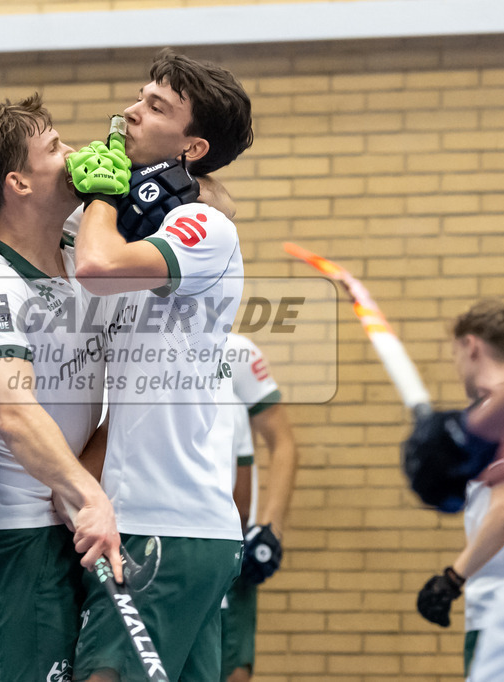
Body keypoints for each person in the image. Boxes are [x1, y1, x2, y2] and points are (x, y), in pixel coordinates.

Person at [66, 47, 255, 681]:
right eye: (138, 97)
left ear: (192, 148)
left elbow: (96, 266)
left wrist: (102, 191)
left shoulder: (203, 224)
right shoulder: (141, 237)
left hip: (165, 526)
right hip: (159, 520)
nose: (130, 111)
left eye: (155, 107)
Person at [0, 93, 121, 681]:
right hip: (13, 535)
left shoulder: (81, 248)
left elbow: (214, 203)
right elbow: (15, 413)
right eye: (54, 148)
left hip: (67, 519)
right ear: (18, 183)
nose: (75, 154)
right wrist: (88, 494)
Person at [413, 299, 504, 682]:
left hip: (501, 609)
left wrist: (452, 578)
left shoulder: (503, 411)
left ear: (471, 346)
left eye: (456, 354)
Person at [221, 333, 299, 682]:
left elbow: (283, 442)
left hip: (232, 545)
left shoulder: (237, 353)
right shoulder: (134, 345)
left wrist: (269, 529)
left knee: (233, 671)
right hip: (157, 540)